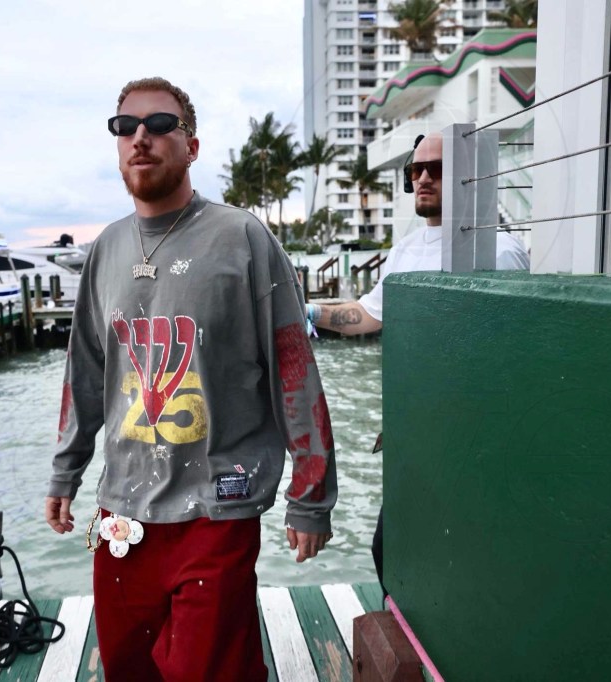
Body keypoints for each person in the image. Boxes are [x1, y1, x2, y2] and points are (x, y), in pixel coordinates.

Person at [44, 77, 337, 682]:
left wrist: (310, 496)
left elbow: (292, 368)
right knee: (127, 667)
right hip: (121, 513)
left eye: (159, 124)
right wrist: (65, 469)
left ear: (192, 145)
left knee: (211, 670)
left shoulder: (243, 238)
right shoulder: (105, 250)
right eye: (125, 127)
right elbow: (87, 373)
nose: (140, 137)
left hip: (218, 509)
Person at [305, 132, 529, 593]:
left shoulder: (497, 252)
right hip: (415, 433)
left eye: (437, 169)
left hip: (469, 437)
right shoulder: (408, 249)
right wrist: (307, 311)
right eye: (415, 169)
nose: (422, 178)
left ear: (470, 177)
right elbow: (368, 314)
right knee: (391, 549)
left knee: (462, 558)